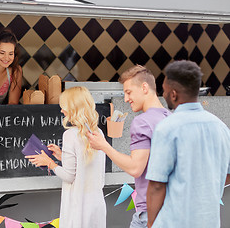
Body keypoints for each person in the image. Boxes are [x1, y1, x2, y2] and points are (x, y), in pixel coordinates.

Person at [145, 60, 230, 228]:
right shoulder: (221, 128)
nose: (163, 94)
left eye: (165, 90)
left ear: (174, 94)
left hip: (173, 222)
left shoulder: (167, 128)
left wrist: (150, 223)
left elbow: (156, 185)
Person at [87, 65, 170, 228]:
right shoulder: (171, 118)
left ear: (144, 87)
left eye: (129, 92)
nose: (125, 99)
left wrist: (104, 146)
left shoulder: (142, 122)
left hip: (150, 214)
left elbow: (135, 168)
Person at [26, 86, 106, 228]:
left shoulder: (70, 135)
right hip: (96, 205)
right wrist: (62, 156)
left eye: (64, 107)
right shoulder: (98, 132)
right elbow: (85, 166)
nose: (61, 110)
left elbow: (69, 176)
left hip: (77, 208)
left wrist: (50, 163)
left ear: (74, 107)